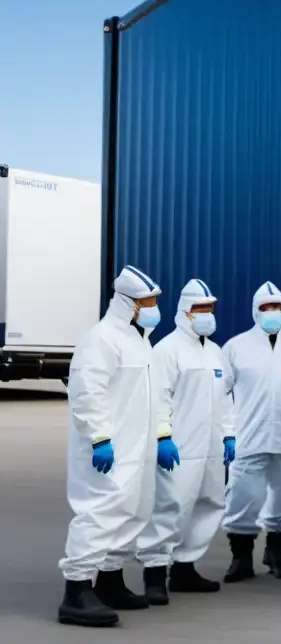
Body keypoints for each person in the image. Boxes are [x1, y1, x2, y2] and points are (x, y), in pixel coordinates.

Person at [57, 265, 181, 628]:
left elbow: (157, 394)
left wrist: (162, 434)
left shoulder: (139, 341)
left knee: (134, 511)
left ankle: (110, 579)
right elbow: (87, 392)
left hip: (138, 449)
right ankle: (76, 590)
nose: (153, 307)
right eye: (147, 301)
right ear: (127, 303)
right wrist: (99, 438)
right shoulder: (102, 339)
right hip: (109, 449)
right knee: (99, 513)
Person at [136, 278, 233, 603]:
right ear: (184, 312)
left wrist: (229, 435)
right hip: (180, 446)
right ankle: (154, 573)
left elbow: (226, 399)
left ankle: (185, 567)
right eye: (200, 309)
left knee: (209, 504)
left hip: (211, 449)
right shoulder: (167, 350)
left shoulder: (216, 352)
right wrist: (163, 436)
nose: (207, 314)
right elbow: (159, 398)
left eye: (210, 308)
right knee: (170, 507)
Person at [221, 281, 281, 583]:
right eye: (267, 308)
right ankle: (240, 558)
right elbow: (221, 394)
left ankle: (275, 552)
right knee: (243, 497)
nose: (274, 313)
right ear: (255, 311)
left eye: (279, 308)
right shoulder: (235, 347)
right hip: (248, 438)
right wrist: (228, 432)